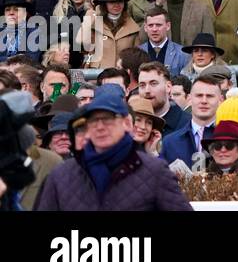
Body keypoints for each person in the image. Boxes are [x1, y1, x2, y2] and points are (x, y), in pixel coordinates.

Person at [36, 86, 192, 211]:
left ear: (126, 124)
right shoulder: (61, 176)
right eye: (93, 121)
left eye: (108, 120)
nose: (100, 127)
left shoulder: (155, 172)